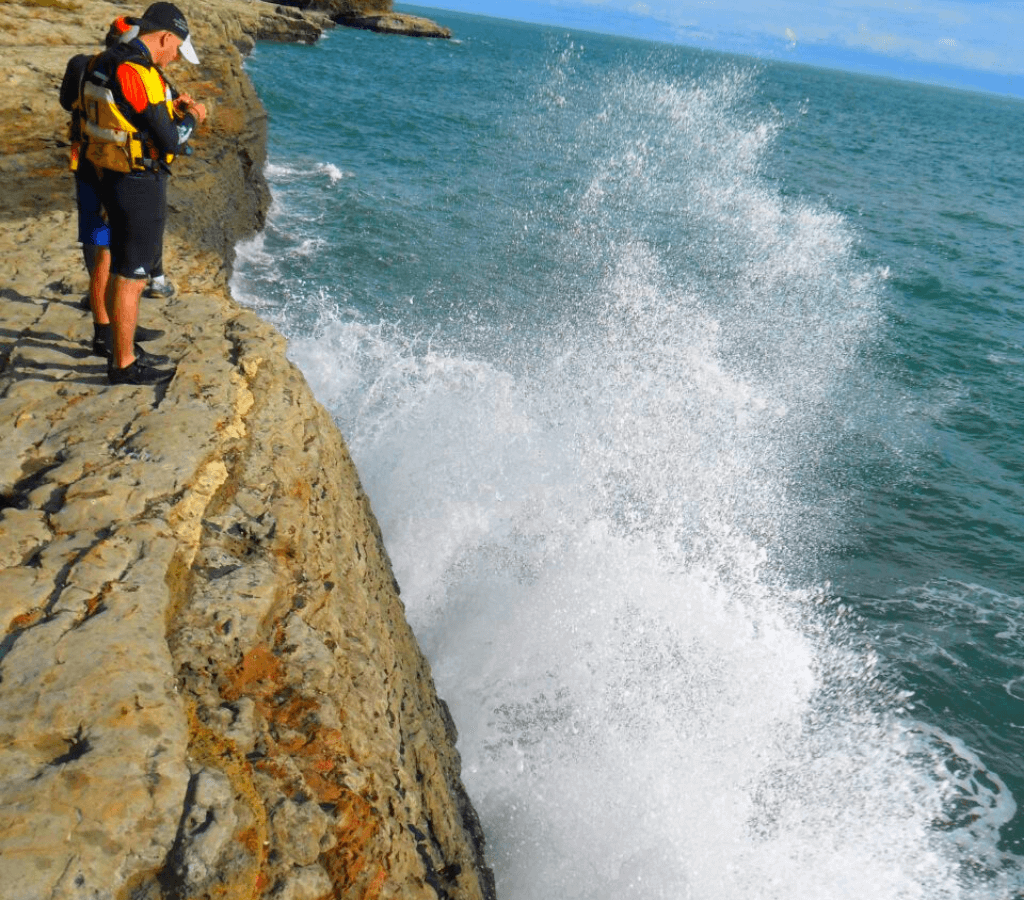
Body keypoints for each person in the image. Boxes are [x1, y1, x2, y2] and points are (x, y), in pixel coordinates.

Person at [81, 2, 207, 385]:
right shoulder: (139, 72)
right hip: (137, 184)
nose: (174, 58)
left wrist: (169, 106)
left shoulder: (102, 61)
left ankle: (122, 348)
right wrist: (193, 116)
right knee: (132, 276)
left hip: (106, 176)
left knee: (120, 265)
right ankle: (123, 364)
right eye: (175, 49)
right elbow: (169, 139)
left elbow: (127, 113)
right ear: (165, 37)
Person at [60, 16, 170, 358]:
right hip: (111, 170)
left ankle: (108, 331)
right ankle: (110, 335)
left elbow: (68, 102)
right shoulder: (126, 72)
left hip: (87, 164)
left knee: (102, 249)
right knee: (108, 253)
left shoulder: (83, 64)